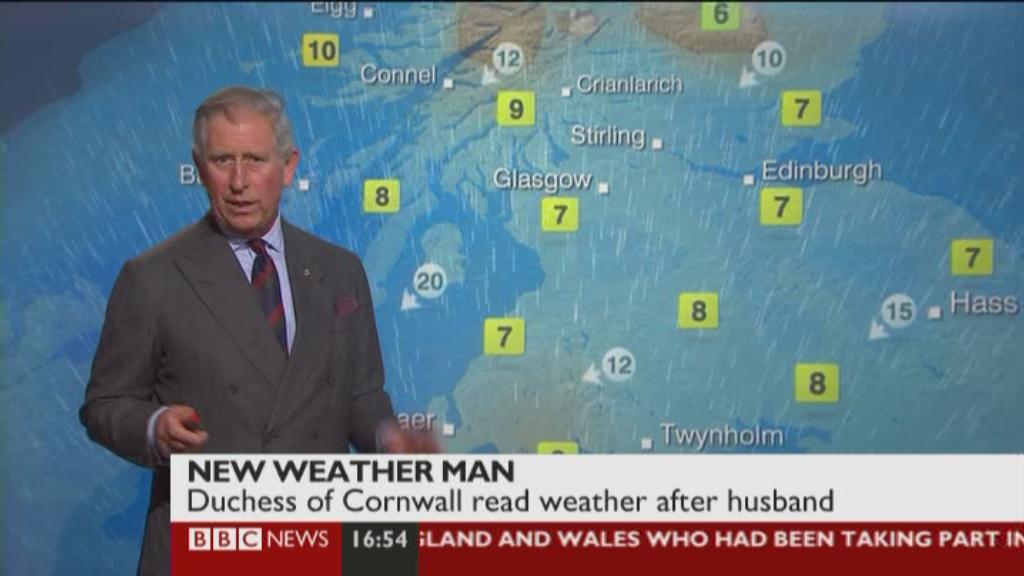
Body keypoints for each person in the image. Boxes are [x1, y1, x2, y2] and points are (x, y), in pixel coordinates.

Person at [79, 85, 437, 576]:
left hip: (317, 543)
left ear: (288, 166)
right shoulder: (152, 278)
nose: (239, 181)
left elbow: (361, 395)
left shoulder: (339, 271)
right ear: (199, 168)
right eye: (222, 160)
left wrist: (389, 440)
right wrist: (153, 426)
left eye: (255, 160)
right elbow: (104, 404)